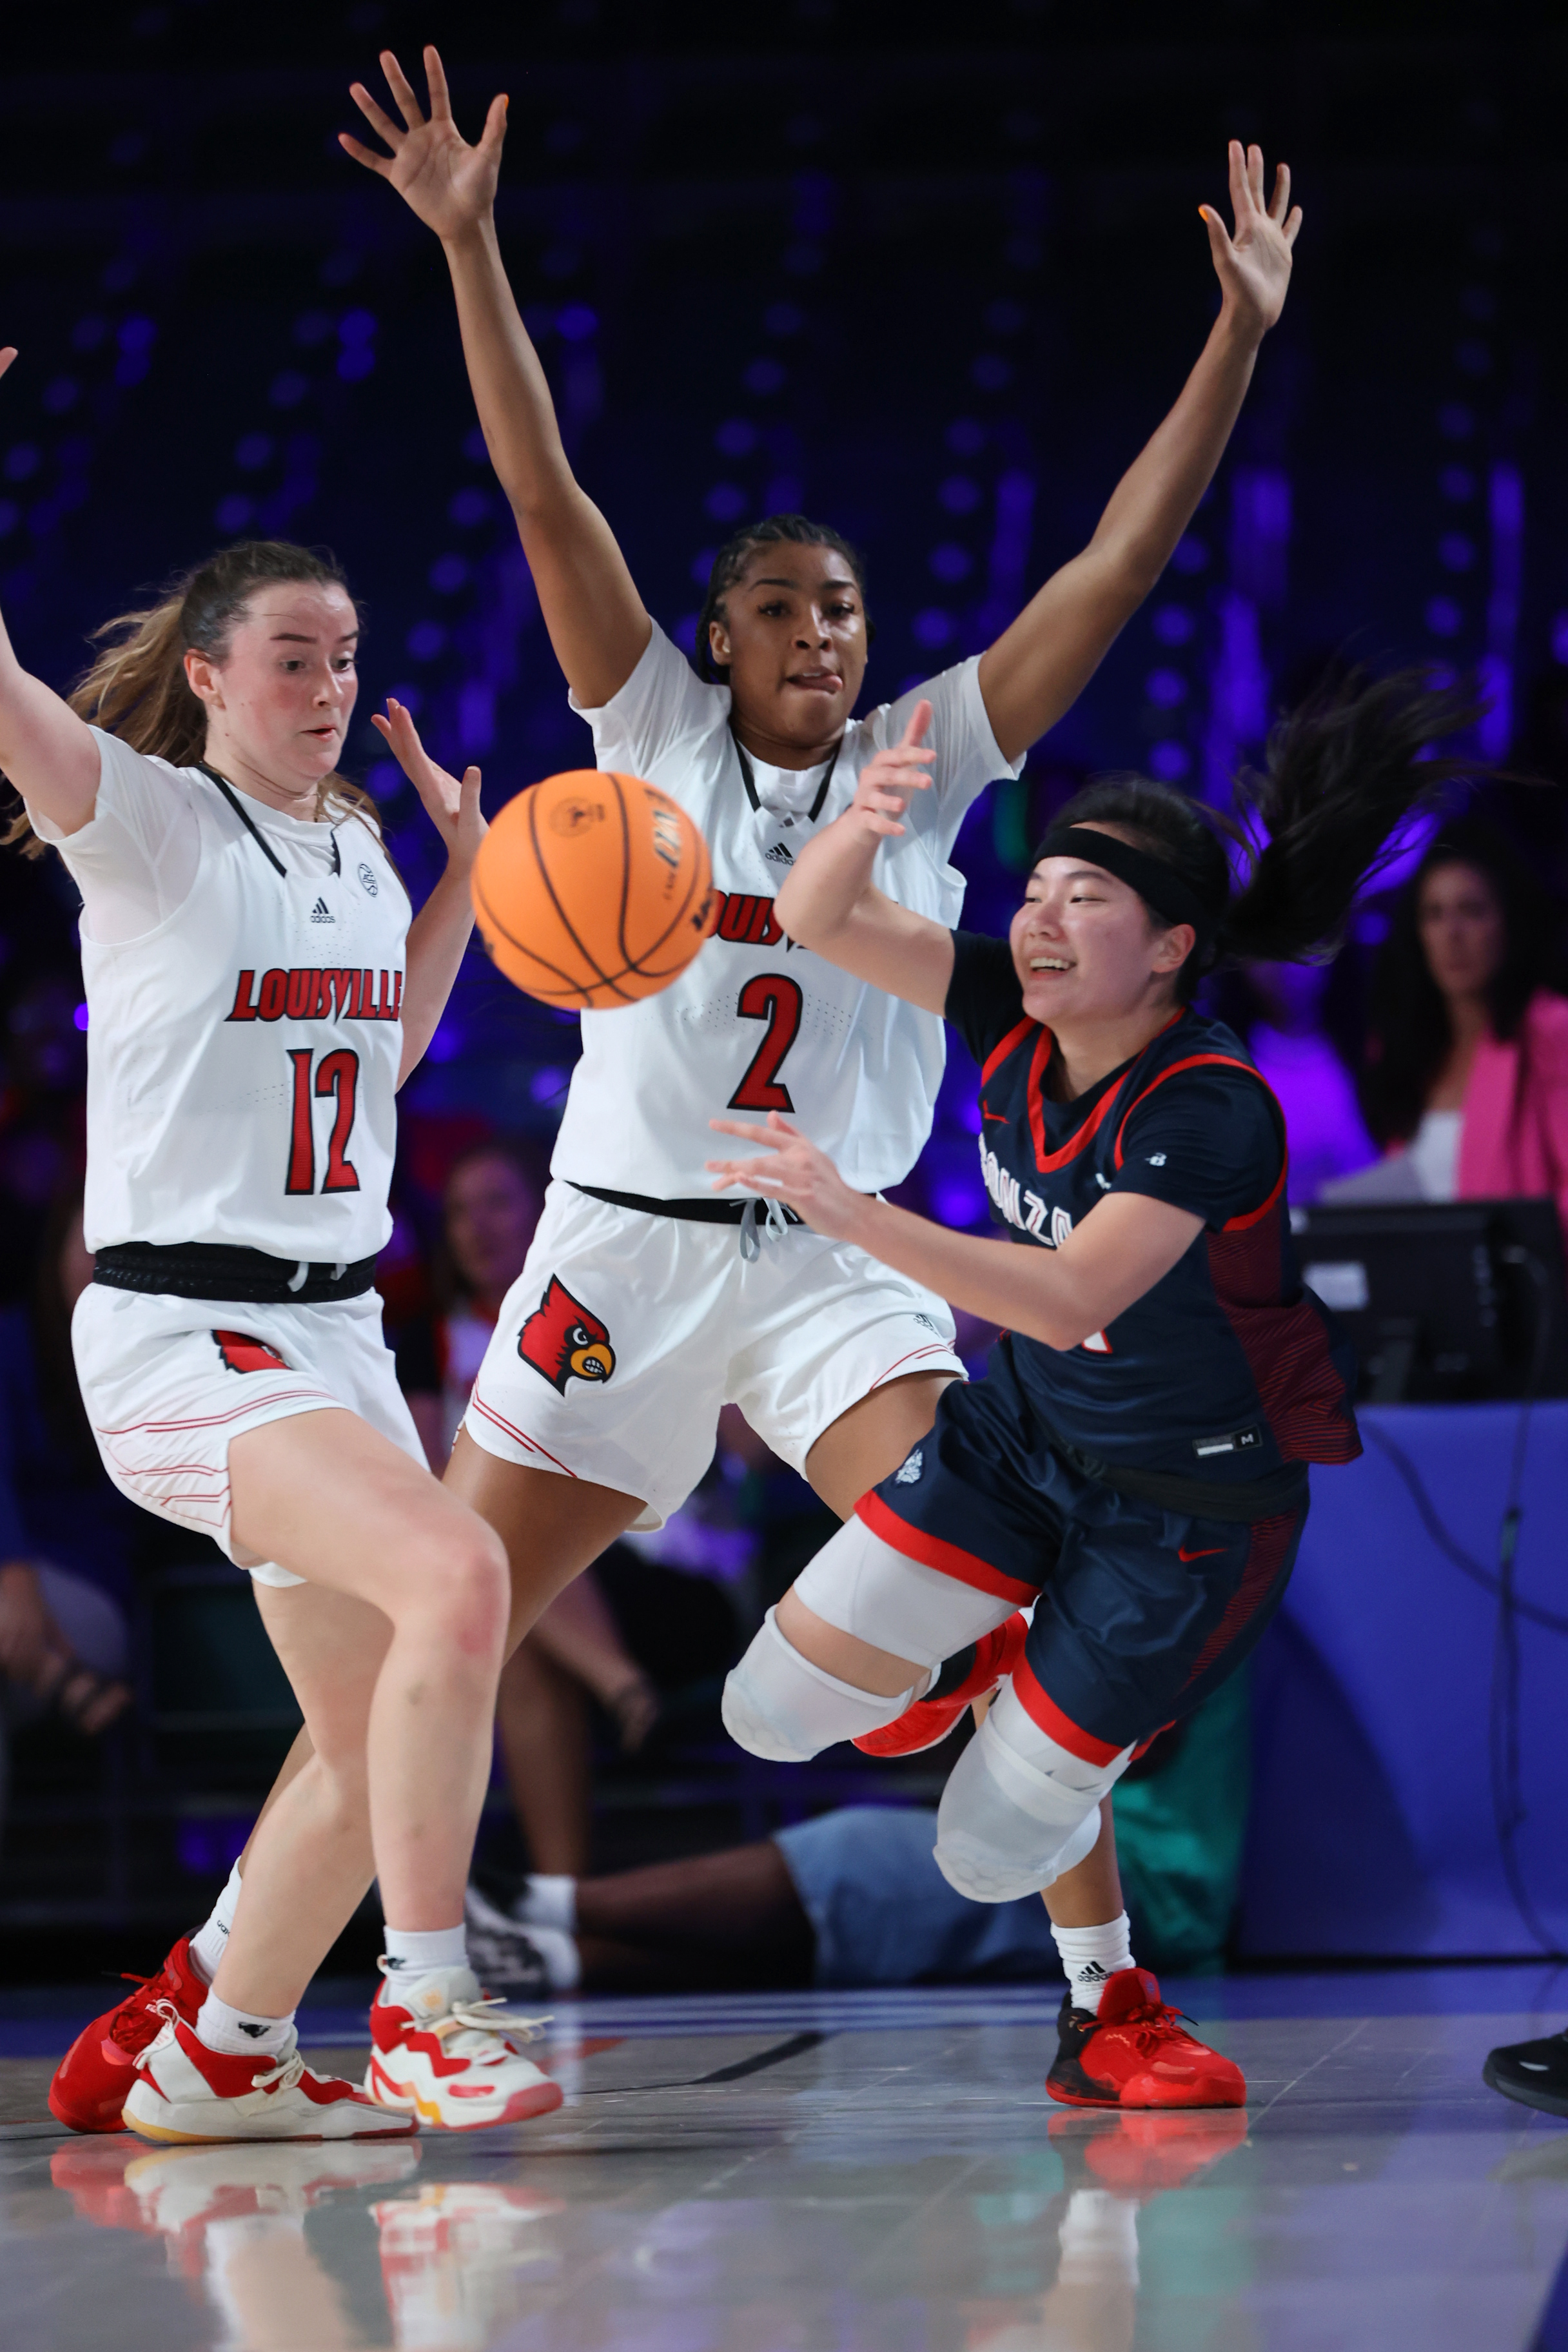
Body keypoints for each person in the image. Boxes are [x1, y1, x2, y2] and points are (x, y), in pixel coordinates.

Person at [57, 55, 1302, 2126]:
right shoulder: (641, 724)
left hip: (839, 1259)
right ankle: (217, 1991)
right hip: (621, 1252)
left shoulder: (937, 750)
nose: (824, 632)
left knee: (992, 1570)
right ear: (716, 635)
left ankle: (1106, 1996)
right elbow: (543, 488)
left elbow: (1112, 563)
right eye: (785, 609)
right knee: (425, 1627)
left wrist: (1238, 337)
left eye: (847, 610)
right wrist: (469, 245)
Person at [707, 666, 1475, 2108]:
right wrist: (862, 822)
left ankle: (1101, 1973)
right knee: (766, 1711)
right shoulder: (1015, 999)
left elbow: (1068, 1294)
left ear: (1173, 948)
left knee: (980, 1852)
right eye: (1038, 887)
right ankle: (980, 1654)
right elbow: (813, 918)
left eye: (1085, 900)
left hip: (1186, 1509)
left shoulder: (1210, 1105)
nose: (1041, 919)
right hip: (1029, 1437)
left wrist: (853, 1211)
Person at [1, 503, 560, 2139]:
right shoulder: (153, 821)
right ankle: (427, 2003)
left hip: (330, 1343)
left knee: (359, 1723)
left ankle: (222, 2050)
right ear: (209, 675)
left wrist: (461, 878)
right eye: (294, 660)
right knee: (462, 1572)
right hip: (183, 1332)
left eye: (348, 658)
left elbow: (379, 1064)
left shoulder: (356, 848)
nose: (329, 687)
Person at [397, 1137, 662, 1876]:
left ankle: (559, 1898)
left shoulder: (615, 1312)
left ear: (545, 1209)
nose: (475, 1227)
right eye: (457, 1212)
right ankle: (623, 1694)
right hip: (514, 1571)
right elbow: (432, 1480)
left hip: (647, 1566)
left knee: (503, 1586)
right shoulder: (428, 1342)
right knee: (508, 1622)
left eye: (496, 1203)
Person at [0, 1185, 138, 1840]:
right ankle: (60, 1681)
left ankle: (62, 1675)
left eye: (116, 1249)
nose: (98, 1264)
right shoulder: (11, 1345)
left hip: (88, 1594)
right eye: (86, 1246)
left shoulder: (153, 1369)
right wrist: (14, 1570)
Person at [1357, 816, 1568, 1220]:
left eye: (1472, 910)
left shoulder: (1551, 1029)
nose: (1452, 933)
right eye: (1434, 914)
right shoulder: (1404, 1048)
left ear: (1509, 921)